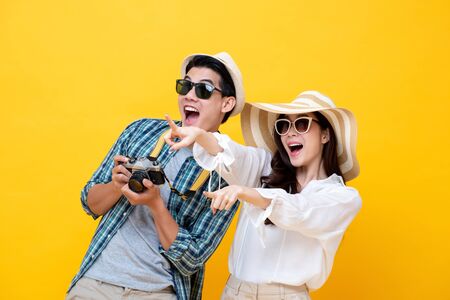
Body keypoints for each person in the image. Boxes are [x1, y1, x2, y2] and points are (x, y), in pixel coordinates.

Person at [66, 52, 246, 300]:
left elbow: (192, 259)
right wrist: (116, 185)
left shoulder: (227, 172)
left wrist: (156, 205)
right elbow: (90, 203)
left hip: (156, 291)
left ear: (226, 103)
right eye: (185, 85)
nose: (189, 95)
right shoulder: (142, 130)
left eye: (203, 89)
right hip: (96, 282)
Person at [164, 91, 362, 299]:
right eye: (284, 126)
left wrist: (245, 191)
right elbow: (233, 155)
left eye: (302, 124)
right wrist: (200, 135)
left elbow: (301, 210)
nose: (290, 133)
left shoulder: (342, 197)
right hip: (236, 291)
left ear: (325, 134)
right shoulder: (265, 167)